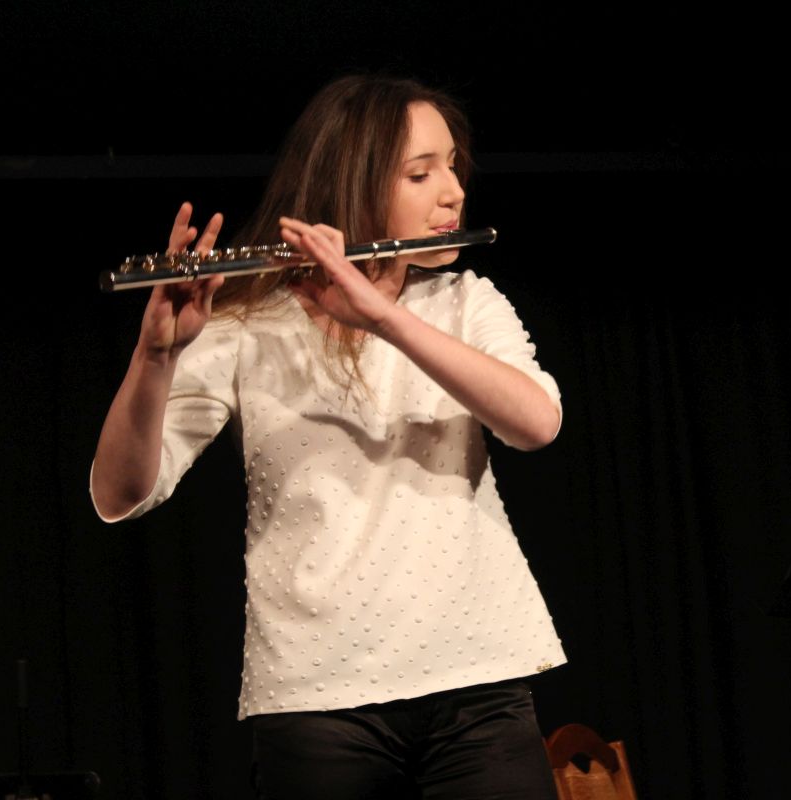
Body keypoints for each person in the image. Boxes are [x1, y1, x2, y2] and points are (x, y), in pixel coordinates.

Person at [91, 75, 565, 799]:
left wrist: (382, 316)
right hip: (316, 693)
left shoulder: (466, 302)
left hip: (479, 676)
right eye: (421, 174)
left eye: (452, 167)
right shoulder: (244, 325)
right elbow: (118, 494)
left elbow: (536, 424)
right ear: (355, 183)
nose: (453, 192)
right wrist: (154, 357)